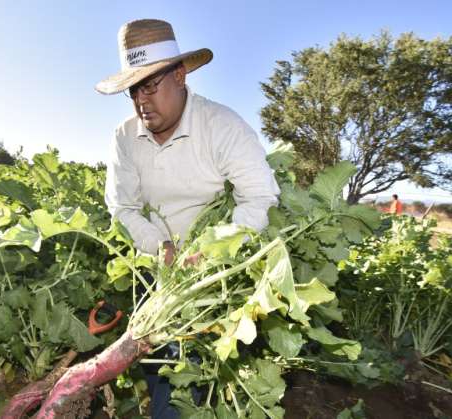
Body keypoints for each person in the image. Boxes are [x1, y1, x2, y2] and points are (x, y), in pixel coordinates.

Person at [96, 18, 280, 418]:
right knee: (152, 362)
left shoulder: (223, 126)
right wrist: (159, 246)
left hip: (210, 277)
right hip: (153, 267)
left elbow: (260, 197)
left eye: (150, 86)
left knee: (182, 379)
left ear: (179, 75)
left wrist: (211, 251)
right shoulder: (124, 137)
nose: (142, 100)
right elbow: (122, 207)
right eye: (133, 91)